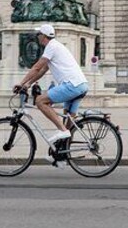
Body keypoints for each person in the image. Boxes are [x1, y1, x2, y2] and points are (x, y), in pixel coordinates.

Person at [14, 24, 89, 165]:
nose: (37, 37)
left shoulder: (51, 47)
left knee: (41, 101)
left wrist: (21, 82)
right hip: (81, 85)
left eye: (39, 34)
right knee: (69, 125)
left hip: (71, 85)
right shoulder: (56, 47)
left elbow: (36, 66)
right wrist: (28, 84)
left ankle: (61, 130)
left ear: (43, 36)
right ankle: (61, 157)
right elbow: (42, 71)